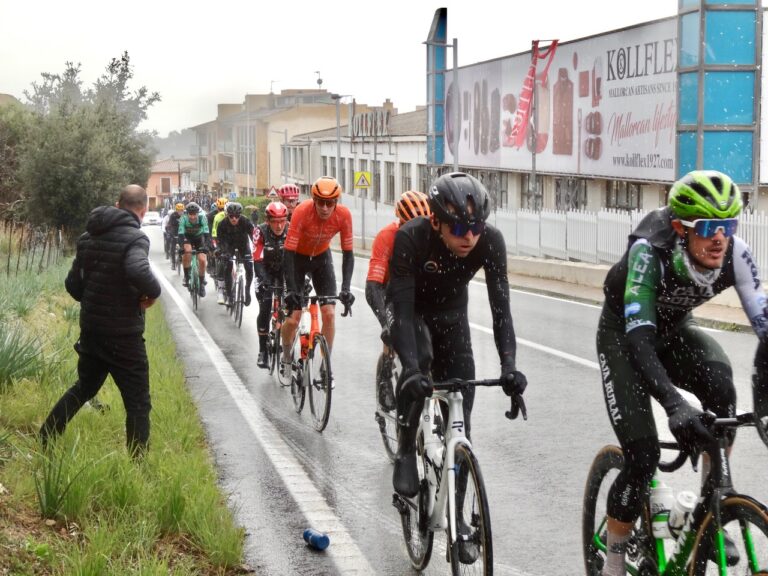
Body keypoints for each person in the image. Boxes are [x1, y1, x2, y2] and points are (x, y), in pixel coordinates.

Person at [596, 170, 768, 575]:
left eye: (727, 226)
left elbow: (765, 325)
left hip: (674, 331)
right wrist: (674, 405)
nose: (719, 238)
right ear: (680, 228)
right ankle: (615, 561)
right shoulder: (649, 252)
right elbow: (639, 340)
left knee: (723, 393)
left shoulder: (735, 253)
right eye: (708, 227)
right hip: (625, 336)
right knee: (643, 456)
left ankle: (710, 509)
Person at [388, 172, 528, 505]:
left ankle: (460, 515)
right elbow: (403, 314)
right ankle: (406, 449)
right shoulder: (411, 238)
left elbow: (501, 312)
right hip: (413, 313)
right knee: (418, 363)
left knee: (461, 417)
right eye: (461, 229)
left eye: (476, 228)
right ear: (435, 221)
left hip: (453, 319)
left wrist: (509, 366)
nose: (470, 237)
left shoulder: (491, 242)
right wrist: (410, 370)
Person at [39, 185, 161, 457]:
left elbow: (73, 285)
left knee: (84, 388)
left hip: (92, 331)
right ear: (144, 209)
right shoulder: (135, 238)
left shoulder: (87, 237)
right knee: (138, 403)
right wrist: (153, 293)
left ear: (118, 204)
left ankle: (46, 436)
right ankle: (138, 466)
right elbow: (137, 268)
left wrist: (95, 300)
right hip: (124, 337)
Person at [281, 176, 355, 375]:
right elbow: (288, 252)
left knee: (329, 314)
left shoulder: (344, 216)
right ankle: (286, 355)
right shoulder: (301, 212)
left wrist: (346, 288)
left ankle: (326, 365)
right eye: (320, 202)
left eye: (329, 203)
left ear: (336, 202)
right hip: (297, 259)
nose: (324, 208)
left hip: (322, 259)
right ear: (314, 200)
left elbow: (348, 254)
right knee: (293, 319)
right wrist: (292, 289)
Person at [366, 190, 431, 409]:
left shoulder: (432, 234)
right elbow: (373, 286)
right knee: (395, 333)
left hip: (417, 289)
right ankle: (385, 378)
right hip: (388, 290)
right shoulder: (387, 237)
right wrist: (385, 324)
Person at [253, 201, 289, 367]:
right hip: (265, 271)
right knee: (266, 306)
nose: (279, 225)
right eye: (275, 221)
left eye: (282, 220)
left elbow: (298, 257)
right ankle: (262, 350)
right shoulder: (260, 231)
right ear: (268, 221)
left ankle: (287, 349)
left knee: (292, 306)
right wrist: (263, 280)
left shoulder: (291, 230)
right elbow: (257, 258)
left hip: (284, 271)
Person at [215, 202, 255, 306]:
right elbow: (220, 241)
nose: (234, 219)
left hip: (243, 246)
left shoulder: (246, 221)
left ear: (240, 215)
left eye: (237, 216)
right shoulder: (222, 224)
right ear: (227, 215)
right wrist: (221, 251)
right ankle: (229, 296)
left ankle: (247, 290)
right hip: (229, 246)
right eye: (231, 216)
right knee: (227, 266)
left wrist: (256, 250)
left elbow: (254, 238)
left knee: (249, 267)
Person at [178, 202, 210, 296]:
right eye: (190, 214)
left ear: (197, 213)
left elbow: (207, 234)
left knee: (202, 260)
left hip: (199, 238)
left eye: (194, 214)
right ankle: (187, 276)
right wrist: (181, 247)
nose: (192, 217)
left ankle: (202, 282)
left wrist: (206, 247)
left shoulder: (202, 218)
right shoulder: (183, 219)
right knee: (186, 252)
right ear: (187, 214)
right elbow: (180, 235)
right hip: (187, 238)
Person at [166, 202, 184, 270]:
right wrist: (169, 233)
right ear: (176, 210)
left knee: (184, 247)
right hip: (174, 233)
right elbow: (169, 225)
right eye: (179, 210)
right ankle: (173, 263)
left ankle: (182, 258)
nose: (180, 212)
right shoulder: (173, 216)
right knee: (172, 248)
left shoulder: (185, 216)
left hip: (182, 233)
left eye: (181, 210)